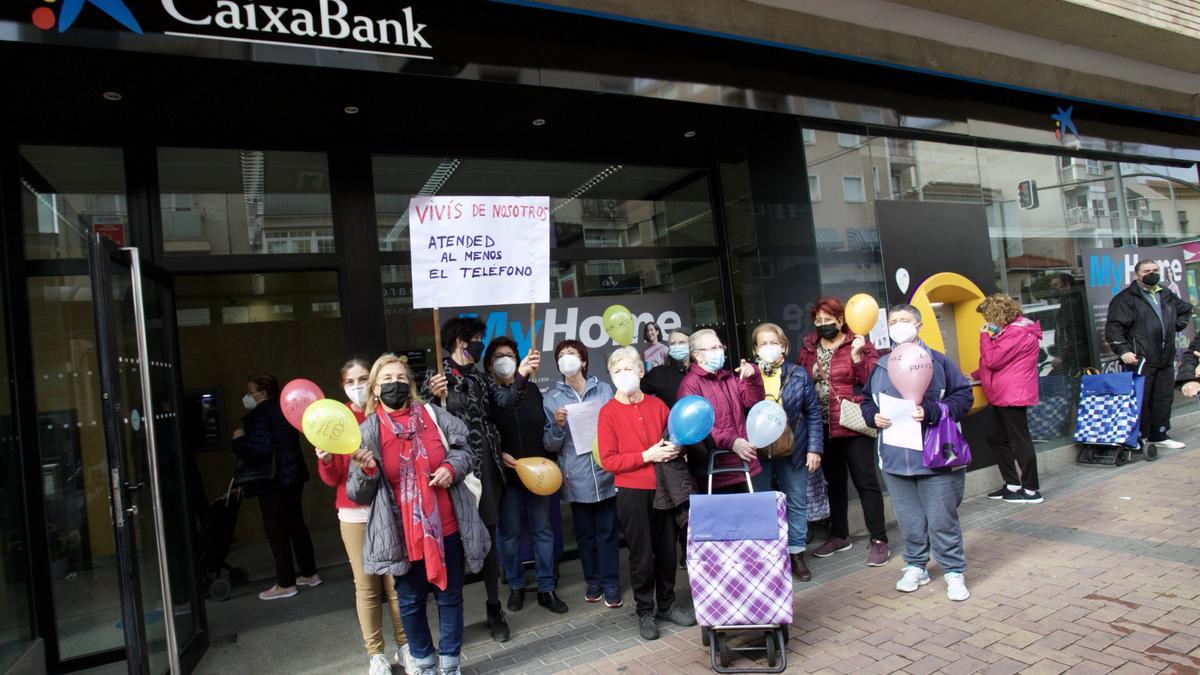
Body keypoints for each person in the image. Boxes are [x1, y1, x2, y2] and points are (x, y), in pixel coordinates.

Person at [347, 354, 490, 675]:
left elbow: (465, 449)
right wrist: (367, 471)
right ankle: (425, 665)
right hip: (402, 535)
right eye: (386, 380)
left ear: (409, 384)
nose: (394, 384)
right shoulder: (367, 431)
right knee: (410, 604)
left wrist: (450, 468)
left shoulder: (432, 415)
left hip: (448, 527)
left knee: (449, 597)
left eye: (400, 378)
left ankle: (450, 664)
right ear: (374, 390)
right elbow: (357, 493)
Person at [423, 316, 538, 642]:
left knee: (488, 537)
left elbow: (504, 401)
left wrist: (522, 375)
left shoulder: (479, 376)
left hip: (486, 465)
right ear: (461, 341)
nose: (479, 344)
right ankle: (451, 614)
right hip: (453, 469)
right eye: (476, 338)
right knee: (452, 541)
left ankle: (493, 607)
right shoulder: (437, 375)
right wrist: (432, 395)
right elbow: (426, 416)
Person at [860, 304, 974, 602]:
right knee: (909, 521)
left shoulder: (939, 362)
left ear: (919, 324)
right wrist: (873, 417)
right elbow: (865, 401)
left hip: (934, 456)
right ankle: (915, 565)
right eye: (894, 321)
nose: (899, 325)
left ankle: (953, 570)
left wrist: (934, 411)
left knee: (941, 519)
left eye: (905, 320)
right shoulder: (882, 365)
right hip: (896, 459)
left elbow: (964, 396)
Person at [316, 356, 408, 675]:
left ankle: (405, 647)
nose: (356, 387)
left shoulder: (386, 412)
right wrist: (327, 459)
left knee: (397, 583)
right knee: (366, 587)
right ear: (342, 386)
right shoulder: (335, 421)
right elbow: (332, 479)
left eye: (362, 379)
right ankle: (376, 655)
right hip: (353, 516)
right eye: (349, 382)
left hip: (389, 510)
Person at [598, 346, 696, 640]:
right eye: (617, 371)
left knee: (667, 551)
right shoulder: (608, 413)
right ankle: (644, 610)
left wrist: (675, 448)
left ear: (641, 371)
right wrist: (647, 455)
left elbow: (678, 437)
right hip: (631, 492)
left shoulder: (657, 406)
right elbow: (609, 460)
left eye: (628, 369)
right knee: (641, 555)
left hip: (664, 488)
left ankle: (667, 603)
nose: (623, 375)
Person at [797, 297, 889, 567]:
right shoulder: (808, 348)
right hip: (822, 426)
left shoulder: (857, 342)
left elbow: (872, 379)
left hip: (851, 423)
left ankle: (879, 539)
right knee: (834, 484)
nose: (824, 325)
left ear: (841, 320)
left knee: (865, 481)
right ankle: (839, 535)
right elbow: (801, 380)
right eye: (819, 321)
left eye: (830, 320)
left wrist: (858, 357)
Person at [482, 337, 566, 615]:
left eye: (509, 355)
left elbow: (543, 428)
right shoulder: (489, 396)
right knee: (509, 534)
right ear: (489, 364)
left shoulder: (532, 392)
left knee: (543, 530)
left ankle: (546, 587)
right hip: (507, 476)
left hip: (538, 473)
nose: (504, 360)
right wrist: (498, 453)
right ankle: (515, 585)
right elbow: (485, 432)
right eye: (497, 356)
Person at [543, 340, 622, 608]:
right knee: (586, 535)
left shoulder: (604, 389)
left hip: (606, 472)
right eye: (561, 356)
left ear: (584, 361)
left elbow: (616, 427)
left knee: (609, 533)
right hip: (576, 477)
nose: (566, 359)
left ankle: (612, 583)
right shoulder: (551, 399)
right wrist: (557, 425)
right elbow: (550, 445)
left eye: (571, 354)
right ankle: (593, 581)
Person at [232, 374, 320, 601]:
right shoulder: (284, 409)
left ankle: (286, 582)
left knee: (276, 530)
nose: (247, 396)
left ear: (262, 393)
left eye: (250, 392)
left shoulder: (258, 415)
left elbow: (260, 449)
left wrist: (239, 440)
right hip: (294, 475)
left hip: (273, 481)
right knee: (296, 524)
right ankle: (309, 573)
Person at [749, 322, 823, 581]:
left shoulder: (798, 374)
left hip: (794, 448)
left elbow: (813, 413)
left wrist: (814, 448)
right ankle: (770, 557)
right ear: (755, 349)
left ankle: (796, 556)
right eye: (763, 343)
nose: (769, 347)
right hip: (758, 451)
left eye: (774, 342)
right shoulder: (749, 375)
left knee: (796, 501)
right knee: (761, 504)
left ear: (783, 346)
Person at [1105, 259, 1193, 460]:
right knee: (1141, 399)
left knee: (1163, 397)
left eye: (1155, 270)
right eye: (1146, 271)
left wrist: (1175, 326)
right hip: (1140, 358)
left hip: (1165, 356)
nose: (1151, 273)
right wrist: (1123, 350)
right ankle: (1141, 437)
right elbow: (1114, 328)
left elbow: (1185, 309)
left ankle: (1159, 434)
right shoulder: (1126, 299)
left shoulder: (1166, 294)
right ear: (1136, 275)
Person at [975, 294, 1044, 504]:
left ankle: (1031, 490)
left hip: (1013, 394)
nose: (986, 322)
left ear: (997, 315)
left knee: (1019, 441)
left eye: (988, 317)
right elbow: (1006, 361)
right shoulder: (1012, 331)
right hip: (1003, 393)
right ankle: (1013, 484)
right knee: (995, 436)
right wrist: (976, 375)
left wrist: (984, 337)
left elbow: (994, 360)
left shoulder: (1017, 332)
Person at [677, 328, 765, 493]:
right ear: (698, 355)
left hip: (743, 463)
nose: (719, 351)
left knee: (750, 517)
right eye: (713, 348)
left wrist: (754, 376)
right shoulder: (689, 385)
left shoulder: (729, 377)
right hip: (715, 470)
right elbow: (697, 427)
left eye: (720, 347)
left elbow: (753, 401)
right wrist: (731, 442)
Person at [1047, 273, 1090, 377]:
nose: (1054, 290)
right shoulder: (1067, 301)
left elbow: (1072, 331)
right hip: (1073, 354)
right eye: (1052, 286)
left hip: (1076, 355)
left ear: (1067, 285)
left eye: (1056, 285)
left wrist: (1062, 355)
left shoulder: (1072, 303)